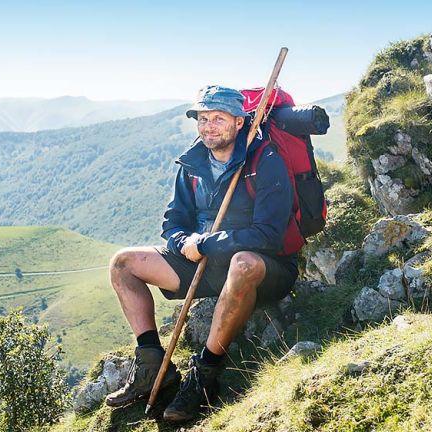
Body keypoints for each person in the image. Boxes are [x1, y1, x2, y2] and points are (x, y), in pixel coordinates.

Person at [105, 85, 298, 422]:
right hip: (203, 264)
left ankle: (205, 375)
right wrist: (182, 243)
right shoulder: (193, 162)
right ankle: (154, 368)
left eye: (218, 118)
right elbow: (173, 221)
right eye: (203, 118)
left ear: (240, 122)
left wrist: (208, 243)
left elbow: (268, 235)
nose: (209, 126)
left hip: (263, 268)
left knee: (243, 262)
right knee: (123, 263)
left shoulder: (264, 160)